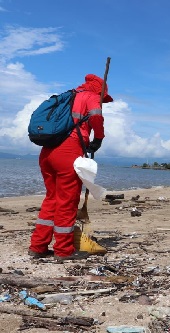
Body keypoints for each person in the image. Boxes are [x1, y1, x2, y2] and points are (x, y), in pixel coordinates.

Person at [29, 74, 113, 261]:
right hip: (68, 150)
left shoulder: (67, 96)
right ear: (101, 91)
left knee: (52, 198)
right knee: (67, 201)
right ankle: (63, 250)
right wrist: (98, 139)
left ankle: (37, 247)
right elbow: (96, 119)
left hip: (47, 151)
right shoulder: (91, 96)